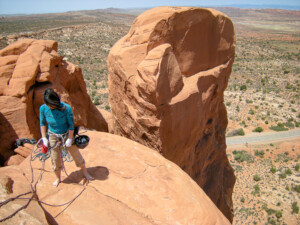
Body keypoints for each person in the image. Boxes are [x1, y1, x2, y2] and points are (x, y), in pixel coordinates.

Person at [39, 88, 93, 187]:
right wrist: (44, 138)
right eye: (49, 105)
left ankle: (85, 173)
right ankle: (57, 178)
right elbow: (42, 123)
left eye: (52, 105)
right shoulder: (43, 108)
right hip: (53, 136)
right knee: (55, 158)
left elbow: (71, 124)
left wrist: (69, 138)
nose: (51, 107)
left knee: (76, 154)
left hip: (66, 134)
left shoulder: (66, 108)